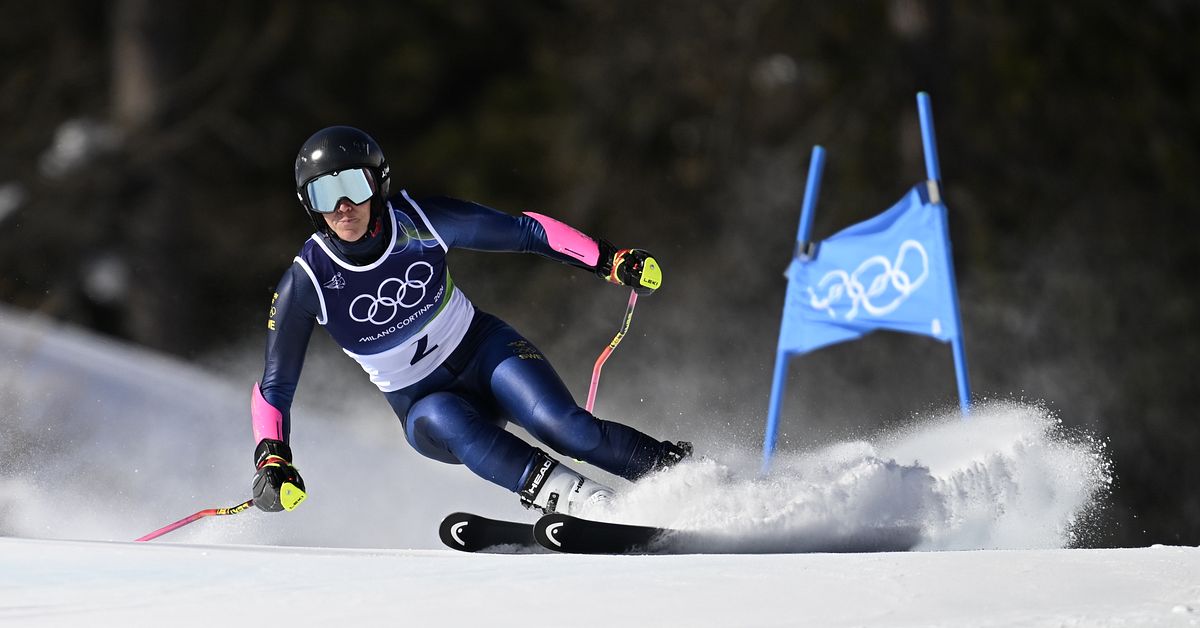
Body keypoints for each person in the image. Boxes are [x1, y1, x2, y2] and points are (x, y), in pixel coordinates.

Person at [250, 125, 691, 517]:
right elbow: (276, 385)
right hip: (422, 403)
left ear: (378, 184)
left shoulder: (422, 223)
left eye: (353, 185)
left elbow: (525, 231)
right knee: (446, 416)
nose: (343, 206)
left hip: (484, 350)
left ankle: (687, 478)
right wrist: (271, 459)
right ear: (309, 204)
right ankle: (586, 502)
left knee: (566, 428)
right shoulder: (306, 281)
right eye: (324, 194)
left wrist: (607, 259)